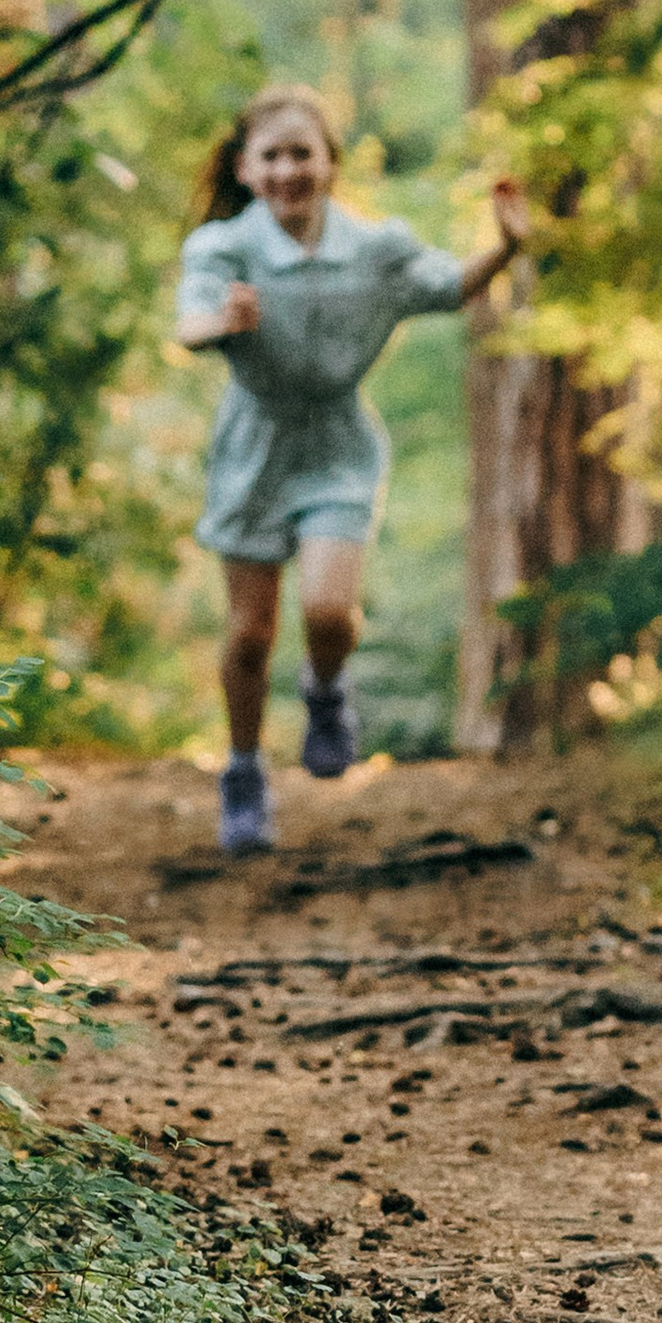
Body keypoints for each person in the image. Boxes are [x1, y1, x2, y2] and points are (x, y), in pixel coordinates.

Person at [175, 82, 526, 853]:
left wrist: (504, 246)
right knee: (249, 634)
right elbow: (190, 324)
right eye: (272, 156)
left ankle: (327, 692)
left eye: (303, 153)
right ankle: (242, 774)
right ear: (245, 168)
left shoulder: (375, 249)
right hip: (253, 446)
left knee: (329, 614)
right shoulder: (223, 248)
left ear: (331, 164)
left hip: (338, 446)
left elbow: (446, 285)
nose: (288, 170)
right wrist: (222, 322)